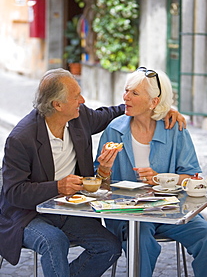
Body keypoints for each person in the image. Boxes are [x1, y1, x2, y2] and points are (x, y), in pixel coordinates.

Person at [0, 68, 185, 276]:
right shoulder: (21, 138)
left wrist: (159, 109)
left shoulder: (79, 118)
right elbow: (14, 192)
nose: (83, 99)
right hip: (29, 214)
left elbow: (114, 112)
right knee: (54, 241)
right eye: (76, 96)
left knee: (109, 247)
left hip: (67, 209)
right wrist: (58, 186)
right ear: (57, 105)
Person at [95, 66, 207, 277]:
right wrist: (103, 170)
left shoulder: (174, 128)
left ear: (154, 102)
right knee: (140, 236)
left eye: (134, 93)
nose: (125, 97)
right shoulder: (114, 130)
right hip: (129, 215)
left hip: (171, 211)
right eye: (126, 90)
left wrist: (160, 179)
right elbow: (99, 187)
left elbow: (192, 176)